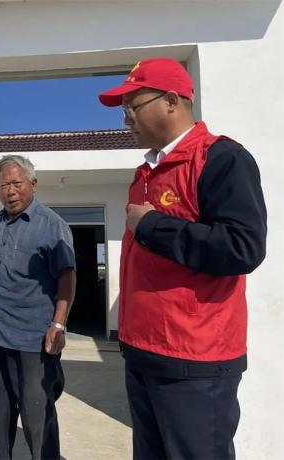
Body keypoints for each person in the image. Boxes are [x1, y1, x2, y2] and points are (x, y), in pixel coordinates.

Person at [98, 58, 267, 459]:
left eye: (133, 107)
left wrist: (153, 225)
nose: (126, 119)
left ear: (171, 101)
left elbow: (243, 246)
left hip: (194, 360)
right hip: (143, 352)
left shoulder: (220, 158)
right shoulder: (146, 172)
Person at [0, 154, 76, 460]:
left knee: (37, 417)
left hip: (33, 338)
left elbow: (67, 276)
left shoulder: (51, 225)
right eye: (3, 185)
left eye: (17, 183)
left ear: (33, 183)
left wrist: (58, 325)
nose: (10, 191)